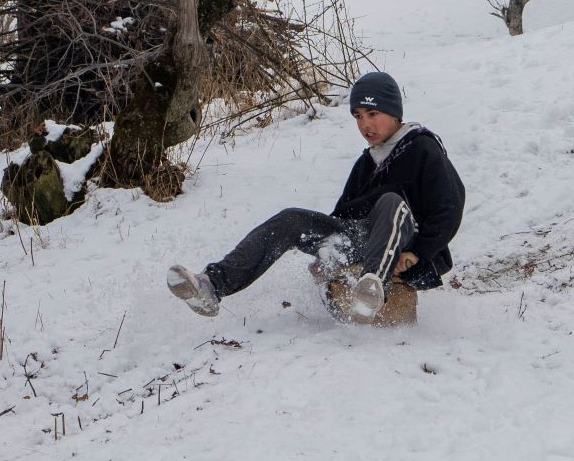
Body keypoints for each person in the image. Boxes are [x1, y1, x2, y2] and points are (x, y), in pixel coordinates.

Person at [166, 71, 464, 323]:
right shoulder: (366, 163)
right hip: (365, 240)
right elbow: (342, 218)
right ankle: (212, 285)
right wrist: (329, 253)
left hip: (407, 241)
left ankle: (373, 286)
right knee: (291, 219)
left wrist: (418, 252)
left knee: (390, 203)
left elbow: (450, 206)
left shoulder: (422, 148)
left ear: (394, 112)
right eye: (358, 116)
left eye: (373, 114)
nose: (365, 125)